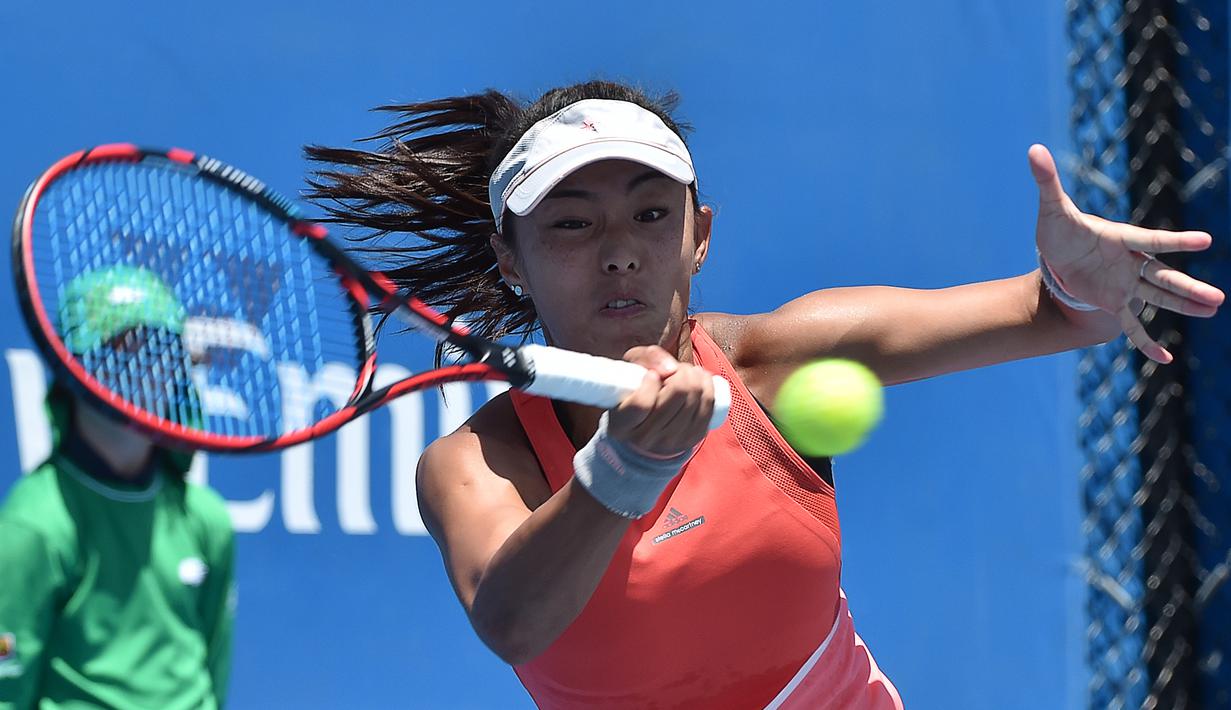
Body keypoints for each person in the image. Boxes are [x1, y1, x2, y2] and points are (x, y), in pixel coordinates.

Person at [305, 81, 1224, 708]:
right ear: (512, 259)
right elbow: (511, 621)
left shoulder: (771, 364)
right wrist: (621, 469)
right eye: (573, 224)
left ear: (698, 235)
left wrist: (1082, 287)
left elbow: (1048, 313)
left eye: (651, 213)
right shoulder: (477, 461)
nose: (619, 248)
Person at [0, 267, 235, 709]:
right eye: (124, 347)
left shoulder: (208, 522)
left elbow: (214, 675)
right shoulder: (32, 525)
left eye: (164, 349)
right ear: (73, 367)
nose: (147, 369)